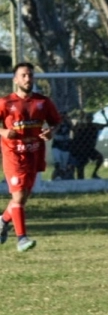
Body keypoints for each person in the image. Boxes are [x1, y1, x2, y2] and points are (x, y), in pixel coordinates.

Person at [0, 62, 62, 253]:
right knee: (18, 196)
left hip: (34, 154)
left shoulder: (43, 102)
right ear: (15, 79)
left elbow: (56, 122)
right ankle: (22, 239)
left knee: (23, 197)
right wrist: (3, 132)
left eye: (30, 75)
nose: (28, 79)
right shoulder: (5, 102)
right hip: (13, 155)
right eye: (24, 75)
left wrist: (50, 132)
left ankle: (2, 220)